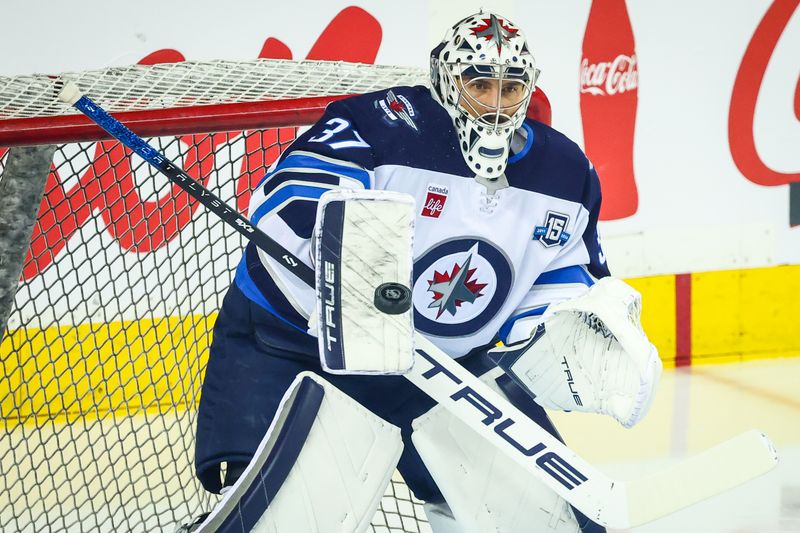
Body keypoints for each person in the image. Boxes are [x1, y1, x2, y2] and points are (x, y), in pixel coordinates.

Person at [192, 11, 661, 533]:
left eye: (510, 88)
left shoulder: (565, 172)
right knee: (279, 520)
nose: (495, 104)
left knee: (533, 519)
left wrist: (566, 330)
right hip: (292, 343)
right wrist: (343, 245)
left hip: (439, 367)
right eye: (479, 84)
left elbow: (560, 274)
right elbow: (292, 192)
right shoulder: (382, 123)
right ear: (446, 77)